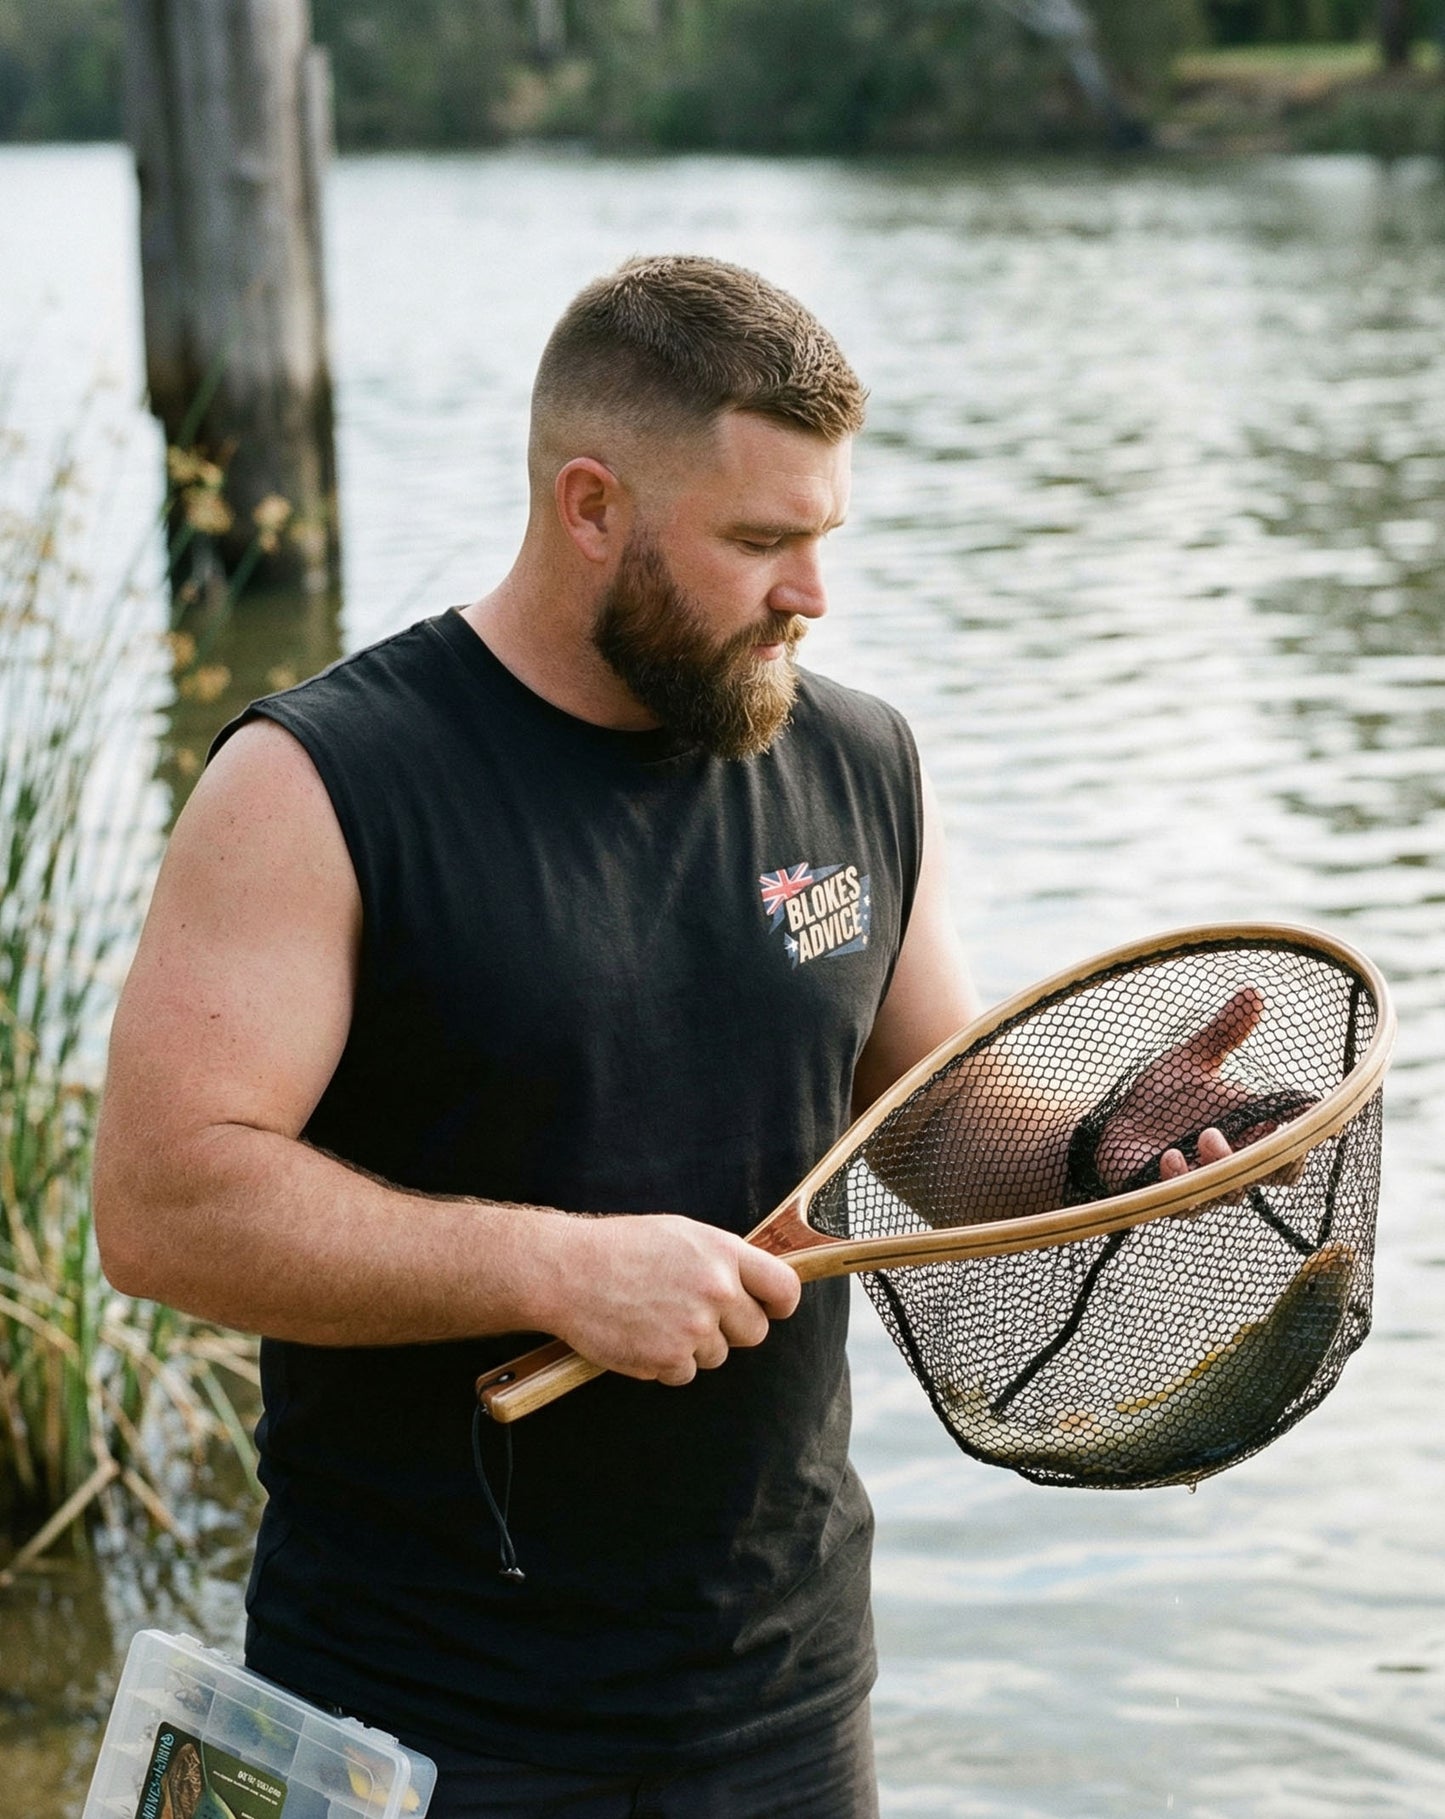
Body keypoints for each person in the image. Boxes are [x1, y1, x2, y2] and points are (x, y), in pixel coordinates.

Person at [94, 255, 1263, 1819]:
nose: (811, 594)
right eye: (760, 542)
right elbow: (162, 1208)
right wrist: (554, 1269)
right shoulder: (320, 785)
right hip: (417, 1718)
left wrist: (1092, 1152)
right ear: (590, 507)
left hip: (782, 1706)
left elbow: (925, 1122)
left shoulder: (859, 761)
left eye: (823, 538)